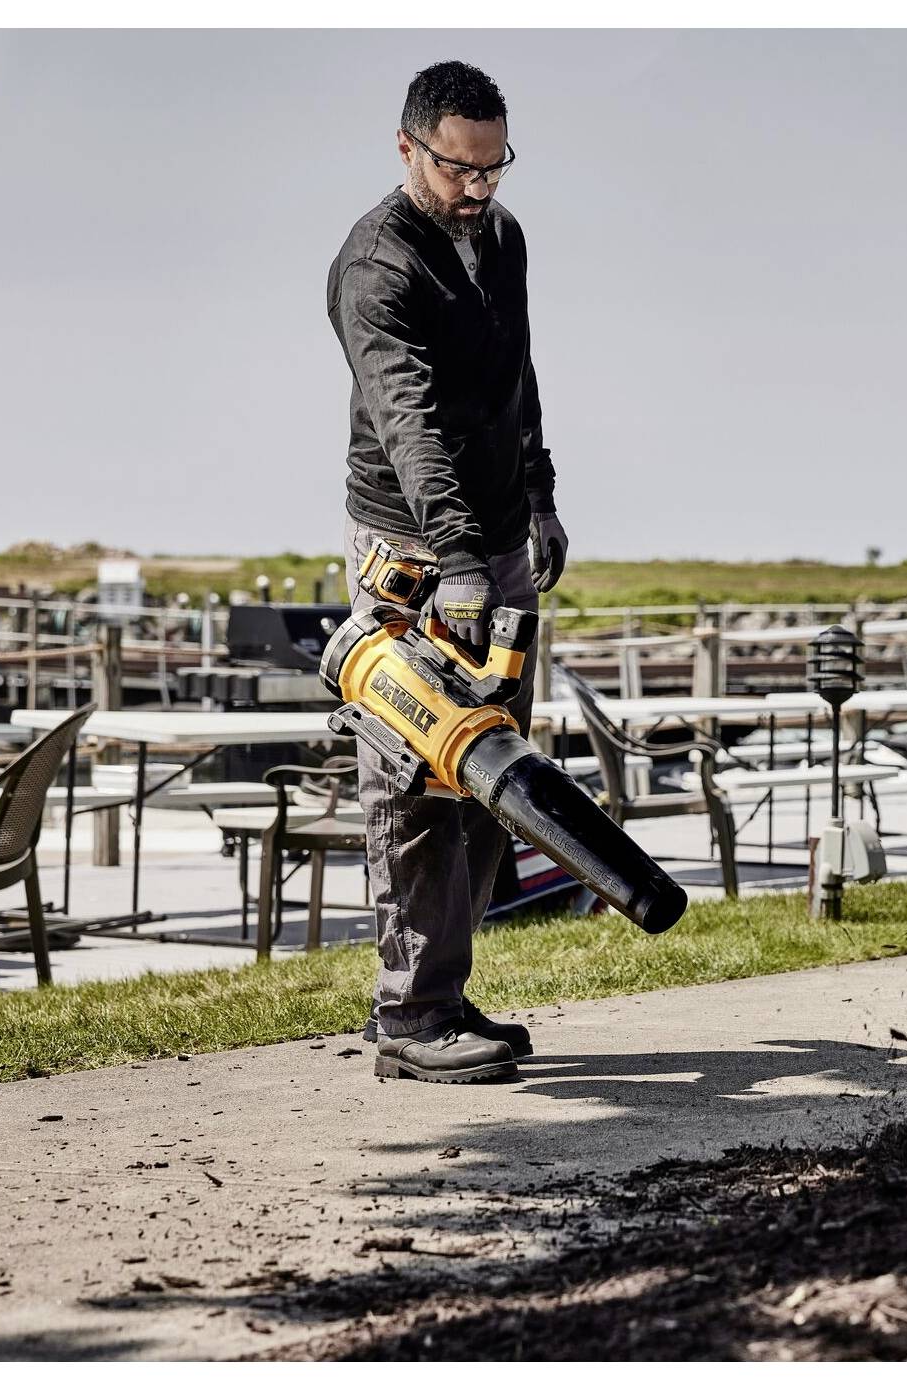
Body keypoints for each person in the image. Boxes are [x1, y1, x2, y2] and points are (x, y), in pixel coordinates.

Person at [327, 60, 571, 1083]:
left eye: (493, 166)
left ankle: (445, 991)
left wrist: (543, 493)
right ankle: (409, 1017)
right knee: (420, 777)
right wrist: (462, 564)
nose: (477, 188)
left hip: (499, 547)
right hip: (418, 557)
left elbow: (517, 373)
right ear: (407, 148)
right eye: (457, 169)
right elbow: (411, 424)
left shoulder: (503, 238)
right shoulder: (378, 265)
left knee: (489, 772)